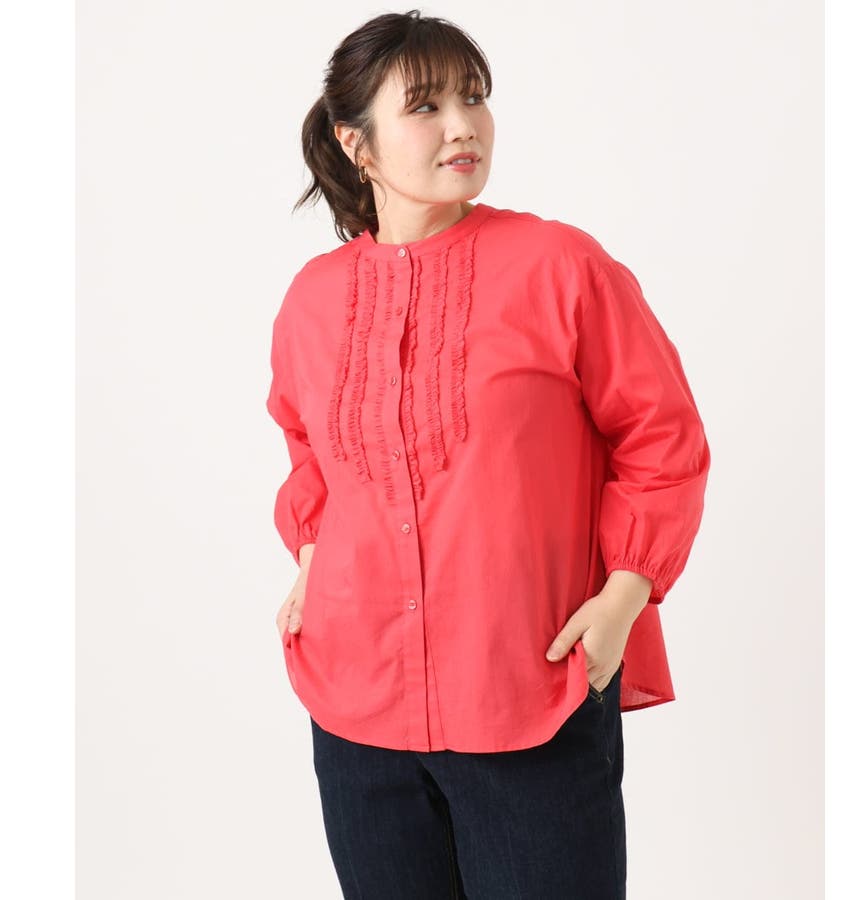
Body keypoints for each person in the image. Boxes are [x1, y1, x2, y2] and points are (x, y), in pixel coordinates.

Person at [266, 10, 711, 899]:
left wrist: (623, 600)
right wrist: (312, 555)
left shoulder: (561, 266)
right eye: (425, 107)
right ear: (356, 143)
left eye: (474, 98)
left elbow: (662, 437)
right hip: (358, 712)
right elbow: (308, 447)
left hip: (530, 692)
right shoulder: (314, 298)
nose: (463, 125)